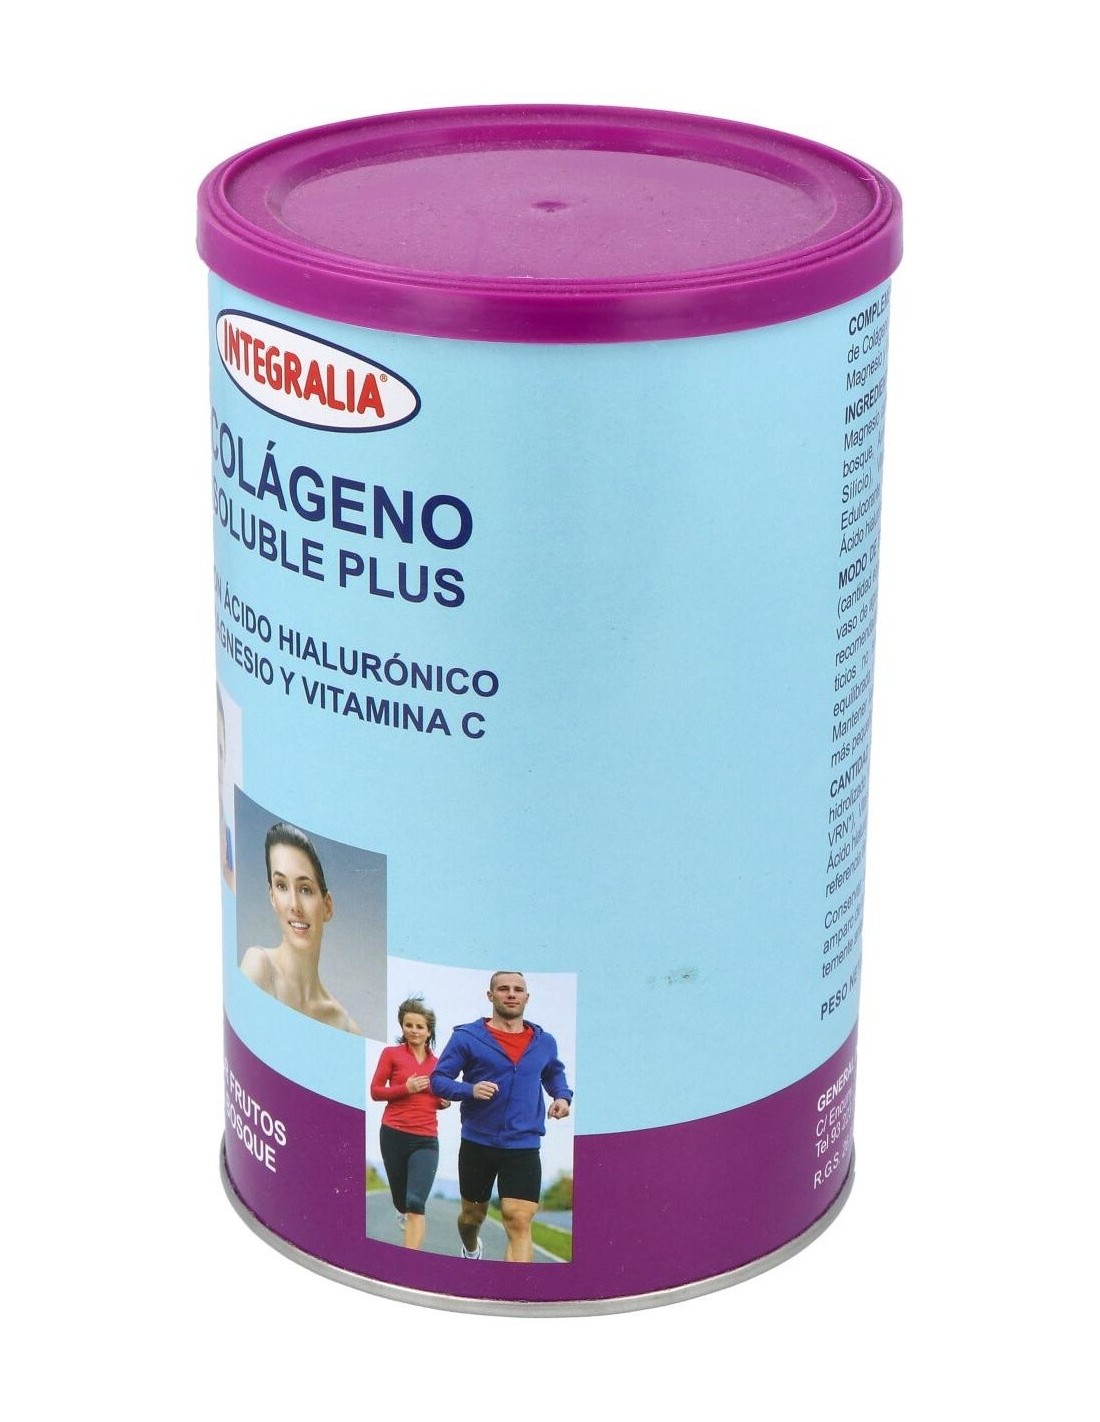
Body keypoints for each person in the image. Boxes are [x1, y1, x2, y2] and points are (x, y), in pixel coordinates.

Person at [431, 971, 572, 1263]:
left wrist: (561, 1096)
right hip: (478, 1142)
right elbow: (439, 1080)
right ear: (490, 995)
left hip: (523, 1143)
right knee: (472, 1216)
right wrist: (470, 1090)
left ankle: (515, 1286)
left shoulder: (544, 1042)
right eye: (504, 989)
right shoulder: (467, 1038)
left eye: (518, 989)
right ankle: (471, 1247)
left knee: (518, 1220)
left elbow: (553, 1073)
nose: (511, 994)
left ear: (526, 997)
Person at [240, 822, 360, 1033]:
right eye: (281, 886)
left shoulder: (347, 1027)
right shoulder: (258, 967)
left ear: (327, 906)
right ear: (272, 897)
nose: (294, 905)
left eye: (305, 889)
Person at [370, 998, 450, 1250]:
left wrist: (444, 1102)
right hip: (393, 1135)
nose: (413, 1031)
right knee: (401, 1201)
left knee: (415, 1203)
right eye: (408, 1025)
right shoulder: (391, 1055)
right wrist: (406, 1088)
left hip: (426, 1139)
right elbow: (375, 1091)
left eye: (419, 1026)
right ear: (402, 1027)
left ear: (429, 1031)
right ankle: (400, 1210)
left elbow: (439, 1098)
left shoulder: (439, 1064)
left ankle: (410, 1260)